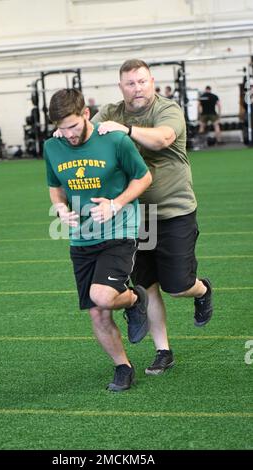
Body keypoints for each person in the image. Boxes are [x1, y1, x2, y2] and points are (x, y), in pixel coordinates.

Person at [92, 59, 213, 375]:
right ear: (121, 87)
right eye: (130, 83)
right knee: (147, 285)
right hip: (135, 215)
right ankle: (163, 350)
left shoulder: (167, 109)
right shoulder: (111, 111)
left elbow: (162, 139)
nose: (137, 88)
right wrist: (66, 128)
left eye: (142, 81)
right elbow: (87, 133)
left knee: (178, 286)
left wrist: (126, 130)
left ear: (152, 81)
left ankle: (202, 290)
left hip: (175, 211)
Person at [44, 88, 152, 391]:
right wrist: (60, 209)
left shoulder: (114, 140)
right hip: (81, 239)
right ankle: (123, 366)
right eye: (61, 128)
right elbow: (55, 186)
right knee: (97, 312)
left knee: (102, 296)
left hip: (119, 231)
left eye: (73, 126)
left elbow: (143, 178)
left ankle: (134, 298)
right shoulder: (53, 146)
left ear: (86, 114)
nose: (68, 135)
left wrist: (115, 204)